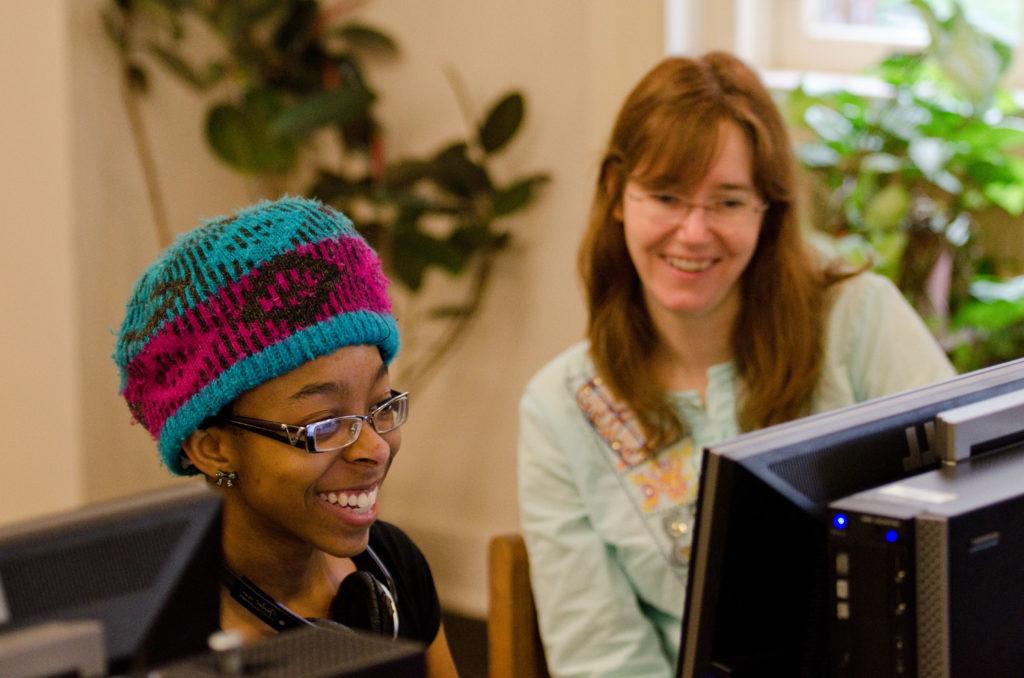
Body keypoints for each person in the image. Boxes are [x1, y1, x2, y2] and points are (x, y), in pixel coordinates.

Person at [517, 52, 956, 677]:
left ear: (767, 211)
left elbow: (962, 520)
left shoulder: (857, 319)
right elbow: (602, 658)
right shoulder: (560, 407)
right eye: (665, 196)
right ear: (617, 194)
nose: (693, 233)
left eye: (727, 202)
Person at [114, 196, 458, 676]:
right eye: (324, 423)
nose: (374, 447)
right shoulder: (162, 651)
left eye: (380, 405)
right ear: (212, 448)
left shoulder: (391, 568)